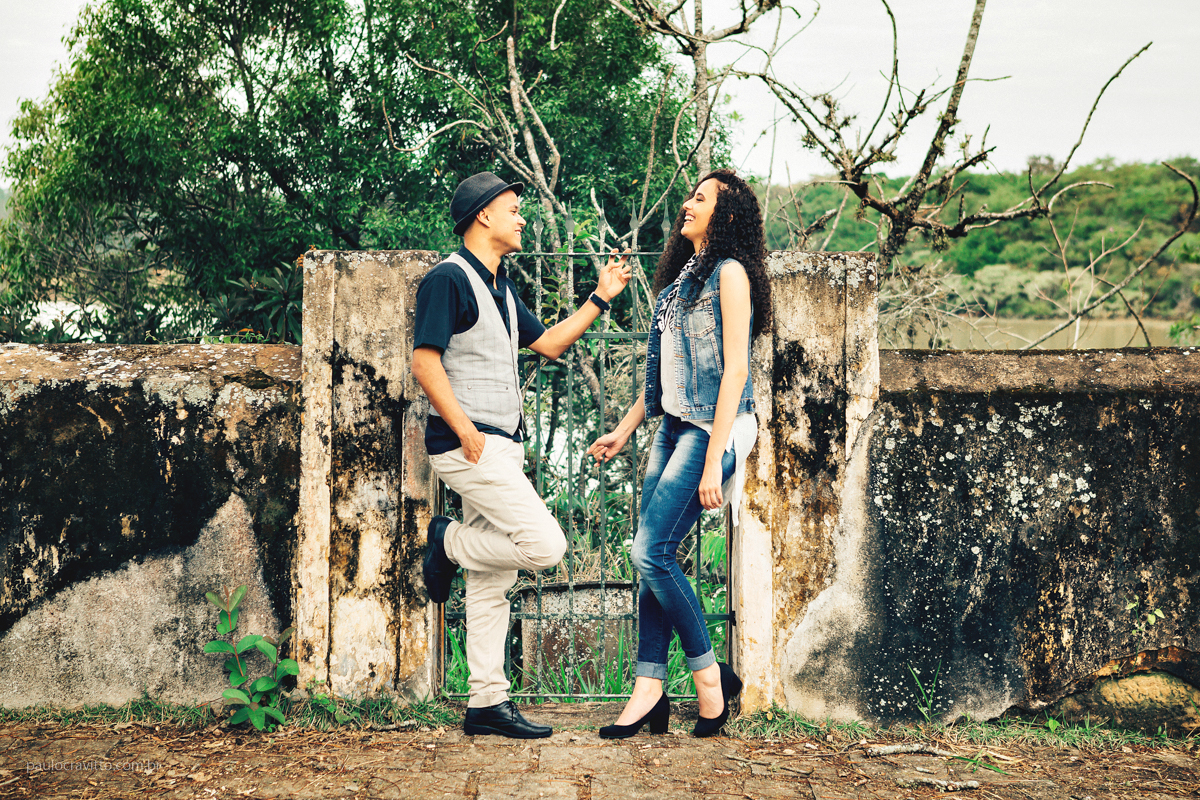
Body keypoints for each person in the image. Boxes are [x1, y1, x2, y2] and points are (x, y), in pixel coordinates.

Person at [413, 172, 631, 739]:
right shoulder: (448, 279)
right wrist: (465, 431)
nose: (522, 218)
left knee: (493, 580)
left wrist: (601, 297)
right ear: (483, 215)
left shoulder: (502, 290)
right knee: (545, 545)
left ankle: (486, 703)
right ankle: (446, 541)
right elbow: (424, 362)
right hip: (468, 446)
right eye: (513, 209)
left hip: (502, 447)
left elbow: (551, 344)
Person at [586, 169, 772, 738]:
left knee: (650, 551)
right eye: (690, 195)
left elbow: (735, 371)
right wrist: (624, 430)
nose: (687, 205)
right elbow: (663, 376)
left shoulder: (730, 273)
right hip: (671, 427)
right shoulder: (677, 285)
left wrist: (715, 458)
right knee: (653, 558)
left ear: (727, 215)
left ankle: (710, 679)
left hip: (713, 429)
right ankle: (650, 689)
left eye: (701, 198)